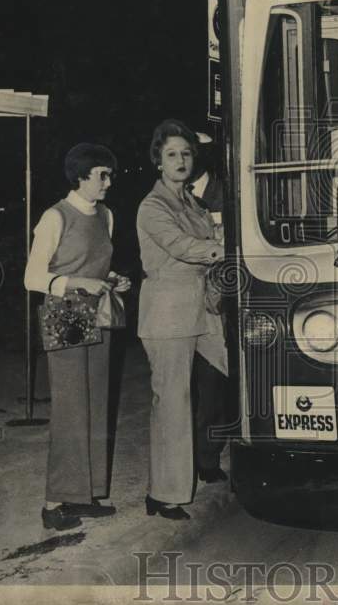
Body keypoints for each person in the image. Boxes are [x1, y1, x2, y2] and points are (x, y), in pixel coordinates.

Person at [23, 143, 131, 531]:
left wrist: (113, 279)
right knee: (71, 408)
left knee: (97, 403)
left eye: (110, 175)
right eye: (102, 175)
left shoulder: (106, 215)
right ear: (80, 176)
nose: (108, 182)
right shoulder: (55, 217)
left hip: (98, 312)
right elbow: (33, 278)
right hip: (65, 313)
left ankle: (86, 494)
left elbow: (96, 264)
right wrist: (79, 283)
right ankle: (54, 504)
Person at [137, 120, 225, 519]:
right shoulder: (153, 207)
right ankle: (164, 493)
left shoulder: (192, 202)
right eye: (171, 154)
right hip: (169, 311)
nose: (180, 160)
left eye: (186, 153)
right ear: (158, 160)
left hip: (203, 307)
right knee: (173, 401)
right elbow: (182, 246)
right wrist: (223, 248)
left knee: (237, 369)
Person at [186, 129, 230, 484]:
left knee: (214, 382)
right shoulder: (169, 196)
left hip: (217, 303)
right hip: (181, 301)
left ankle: (207, 457)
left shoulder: (226, 194)